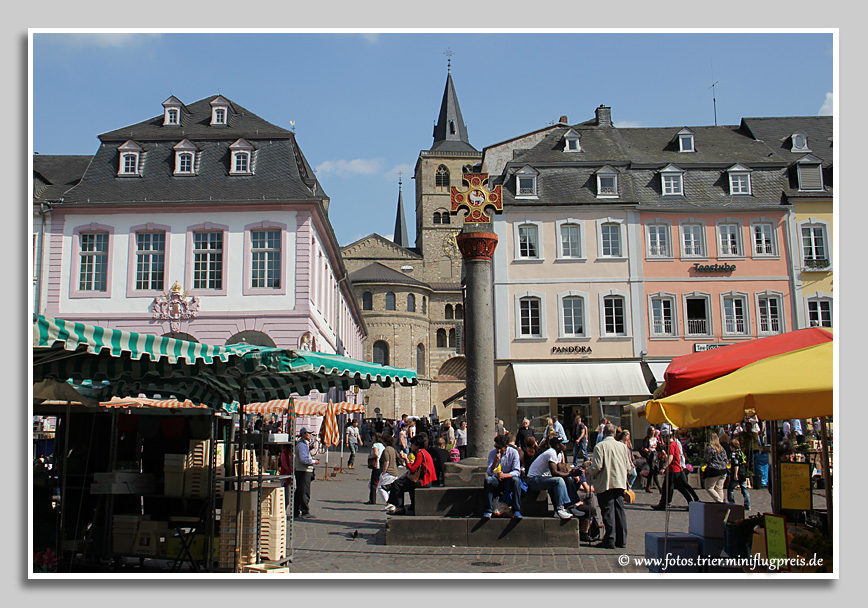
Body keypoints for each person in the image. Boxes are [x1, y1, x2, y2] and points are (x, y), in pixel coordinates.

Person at [586, 423, 631, 549]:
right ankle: (621, 539)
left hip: (606, 482)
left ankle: (610, 538)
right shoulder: (622, 446)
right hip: (619, 482)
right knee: (619, 510)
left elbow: (597, 466)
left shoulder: (600, 446)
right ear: (615, 434)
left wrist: (589, 471)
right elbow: (628, 466)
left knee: (608, 511)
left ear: (604, 433)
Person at [525, 437, 578, 520]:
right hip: (533, 480)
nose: (565, 446)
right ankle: (560, 508)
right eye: (563, 444)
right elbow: (554, 472)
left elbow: (561, 470)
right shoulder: (551, 453)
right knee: (559, 480)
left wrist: (572, 473)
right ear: (557, 446)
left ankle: (571, 505)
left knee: (567, 479)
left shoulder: (559, 454)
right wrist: (570, 473)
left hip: (542, 478)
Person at [386, 434, 437, 515]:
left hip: (424, 481)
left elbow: (412, 469)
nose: (410, 446)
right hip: (427, 479)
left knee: (397, 484)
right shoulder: (424, 452)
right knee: (403, 482)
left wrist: (406, 459)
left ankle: (399, 508)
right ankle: (411, 504)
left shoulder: (420, 454)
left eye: (412, 444)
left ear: (417, 445)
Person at [652, 427, 699, 510]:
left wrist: (664, 467)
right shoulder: (674, 444)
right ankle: (662, 504)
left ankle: (691, 503)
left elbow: (671, 458)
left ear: (667, 437)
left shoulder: (672, 445)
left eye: (664, 437)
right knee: (666, 487)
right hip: (673, 470)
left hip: (674, 470)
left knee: (681, 488)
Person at [483, 433, 524, 519]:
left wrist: (505, 475)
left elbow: (517, 471)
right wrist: (495, 462)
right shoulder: (492, 454)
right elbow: (489, 472)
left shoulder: (514, 453)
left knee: (516, 481)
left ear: (505, 447)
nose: (497, 450)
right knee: (488, 480)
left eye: (499, 448)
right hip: (497, 479)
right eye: (496, 447)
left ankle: (516, 509)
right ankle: (488, 510)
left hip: (509, 478)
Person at [293, 427, 319, 519]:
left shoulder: (304, 444)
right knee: (304, 491)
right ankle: (304, 511)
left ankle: (296, 510)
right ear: (303, 434)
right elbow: (303, 459)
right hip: (303, 471)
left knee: (300, 491)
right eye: (308, 433)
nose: (310, 435)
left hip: (302, 470)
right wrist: (313, 461)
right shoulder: (302, 445)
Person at [377, 432, 404, 505]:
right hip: (394, 472)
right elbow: (399, 458)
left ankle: (388, 503)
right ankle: (392, 503)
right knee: (389, 489)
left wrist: (383, 472)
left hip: (388, 472)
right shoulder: (393, 449)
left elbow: (386, 462)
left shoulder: (386, 450)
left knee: (381, 488)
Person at [703, 432, 729, 503]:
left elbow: (706, 459)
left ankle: (720, 501)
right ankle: (721, 503)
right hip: (723, 470)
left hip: (714, 470)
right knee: (719, 488)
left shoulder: (710, 448)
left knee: (709, 487)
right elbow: (726, 459)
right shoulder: (721, 448)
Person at [726, 438, 751, 511]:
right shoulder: (742, 453)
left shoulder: (734, 454)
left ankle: (732, 503)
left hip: (737, 473)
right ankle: (747, 504)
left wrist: (735, 474)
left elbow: (736, 464)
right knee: (744, 489)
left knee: (730, 488)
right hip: (743, 473)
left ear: (732, 446)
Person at [365, 433, 385, 504]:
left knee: (373, 483)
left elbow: (376, 454)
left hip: (376, 465)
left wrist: (370, 457)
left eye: (373, 437)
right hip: (382, 466)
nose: (372, 438)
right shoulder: (382, 446)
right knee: (380, 482)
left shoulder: (375, 445)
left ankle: (372, 500)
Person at [641, 427, 661, 493]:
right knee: (653, 470)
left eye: (654, 430)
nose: (653, 432)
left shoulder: (656, 439)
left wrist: (664, 452)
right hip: (650, 456)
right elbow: (644, 447)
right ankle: (659, 487)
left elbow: (659, 447)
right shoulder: (647, 439)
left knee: (652, 472)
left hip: (655, 455)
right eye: (652, 430)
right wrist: (648, 450)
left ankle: (648, 487)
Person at [279, 444, 293, 508]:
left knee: (290, 493)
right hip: (284, 475)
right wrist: (290, 470)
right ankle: (284, 507)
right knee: (285, 494)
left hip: (290, 475)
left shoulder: (291, 454)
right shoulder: (284, 454)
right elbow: (284, 465)